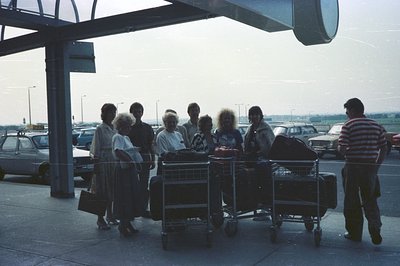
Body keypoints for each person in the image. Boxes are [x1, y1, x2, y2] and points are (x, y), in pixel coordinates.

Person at [338, 98, 387, 245]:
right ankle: (375, 228)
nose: (346, 114)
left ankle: (354, 233)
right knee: (370, 199)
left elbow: (341, 149)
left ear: (352, 110)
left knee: (351, 200)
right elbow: (383, 148)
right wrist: (376, 166)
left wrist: (344, 150)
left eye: (347, 111)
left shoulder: (348, 125)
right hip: (370, 167)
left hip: (352, 167)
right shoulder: (376, 125)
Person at [112, 112, 143, 237]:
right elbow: (118, 151)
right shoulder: (118, 137)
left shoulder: (126, 138)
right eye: (127, 126)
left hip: (130, 169)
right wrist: (130, 160)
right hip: (123, 170)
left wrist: (136, 162)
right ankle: (123, 224)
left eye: (130, 126)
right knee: (124, 197)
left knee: (131, 196)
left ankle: (128, 222)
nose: (129, 128)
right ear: (120, 126)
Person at [90, 103, 118, 230]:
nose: (112, 114)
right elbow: (96, 148)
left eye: (114, 112)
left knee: (111, 190)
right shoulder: (100, 129)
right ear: (104, 114)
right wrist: (96, 166)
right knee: (102, 191)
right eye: (110, 112)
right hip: (103, 162)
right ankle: (100, 219)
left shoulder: (115, 128)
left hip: (113, 161)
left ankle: (110, 215)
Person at [128, 102, 156, 218]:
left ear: (142, 113)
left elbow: (151, 144)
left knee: (144, 185)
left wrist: (153, 159)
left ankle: (143, 209)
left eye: (139, 111)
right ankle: (133, 209)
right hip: (131, 158)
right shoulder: (128, 128)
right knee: (132, 184)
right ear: (131, 113)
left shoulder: (147, 128)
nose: (137, 113)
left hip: (144, 157)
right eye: (135, 111)